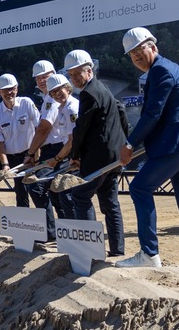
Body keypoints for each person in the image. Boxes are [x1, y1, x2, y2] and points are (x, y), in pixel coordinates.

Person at [116, 27, 179, 270]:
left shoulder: (160, 71)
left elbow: (152, 114)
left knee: (139, 188)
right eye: (132, 56)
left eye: (140, 52)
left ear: (153, 47)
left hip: (177, 147)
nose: (136, 58)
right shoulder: (171, 67)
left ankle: (149, 254)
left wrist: (129, 144)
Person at [63, 49, 129, 257]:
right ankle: (117, 250)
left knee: (80, 195)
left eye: (77, 73)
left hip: (98, 158)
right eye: (70, 75)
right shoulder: (103, 89)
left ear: (89, 71)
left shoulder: (89, 93)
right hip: (114, 157)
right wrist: (122, 142)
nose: (73, 78)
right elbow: (121, 111)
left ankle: (91, 251)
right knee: (110, 202)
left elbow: (81, 127)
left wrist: (75, 155)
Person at [0, 73, 39, 207]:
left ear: (17, 88)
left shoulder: (27, 103)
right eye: (5, 90)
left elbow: (38, 129)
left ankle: (22, 223)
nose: (9, 92)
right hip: (6, 157)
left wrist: (35, 154)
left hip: (27, 155)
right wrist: (5, 165)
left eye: (11, 88)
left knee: (22, 189)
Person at [23, 60, 65, 238]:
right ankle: (62, 231)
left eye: (45, 77)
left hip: (58, 150)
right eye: (38, 78)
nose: (41, 81)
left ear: (54, 75)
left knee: (38, 187)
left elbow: (44, 129)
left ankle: (52, 232)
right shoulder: (47, 99)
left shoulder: (51, 100)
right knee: (56, 192)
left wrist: (31, 153)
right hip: (52, 150)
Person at [41, 74, 79, 220]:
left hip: (76, 157)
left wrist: (56, 159)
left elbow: (72, 141)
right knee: (64, 194)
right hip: (70, 156)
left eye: (59, 89)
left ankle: (76, 232)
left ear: (67, 88)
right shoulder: (62, 108)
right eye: (53, 92)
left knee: (68, 194)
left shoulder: (71, 108)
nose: (57, 94)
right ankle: (70, 232)